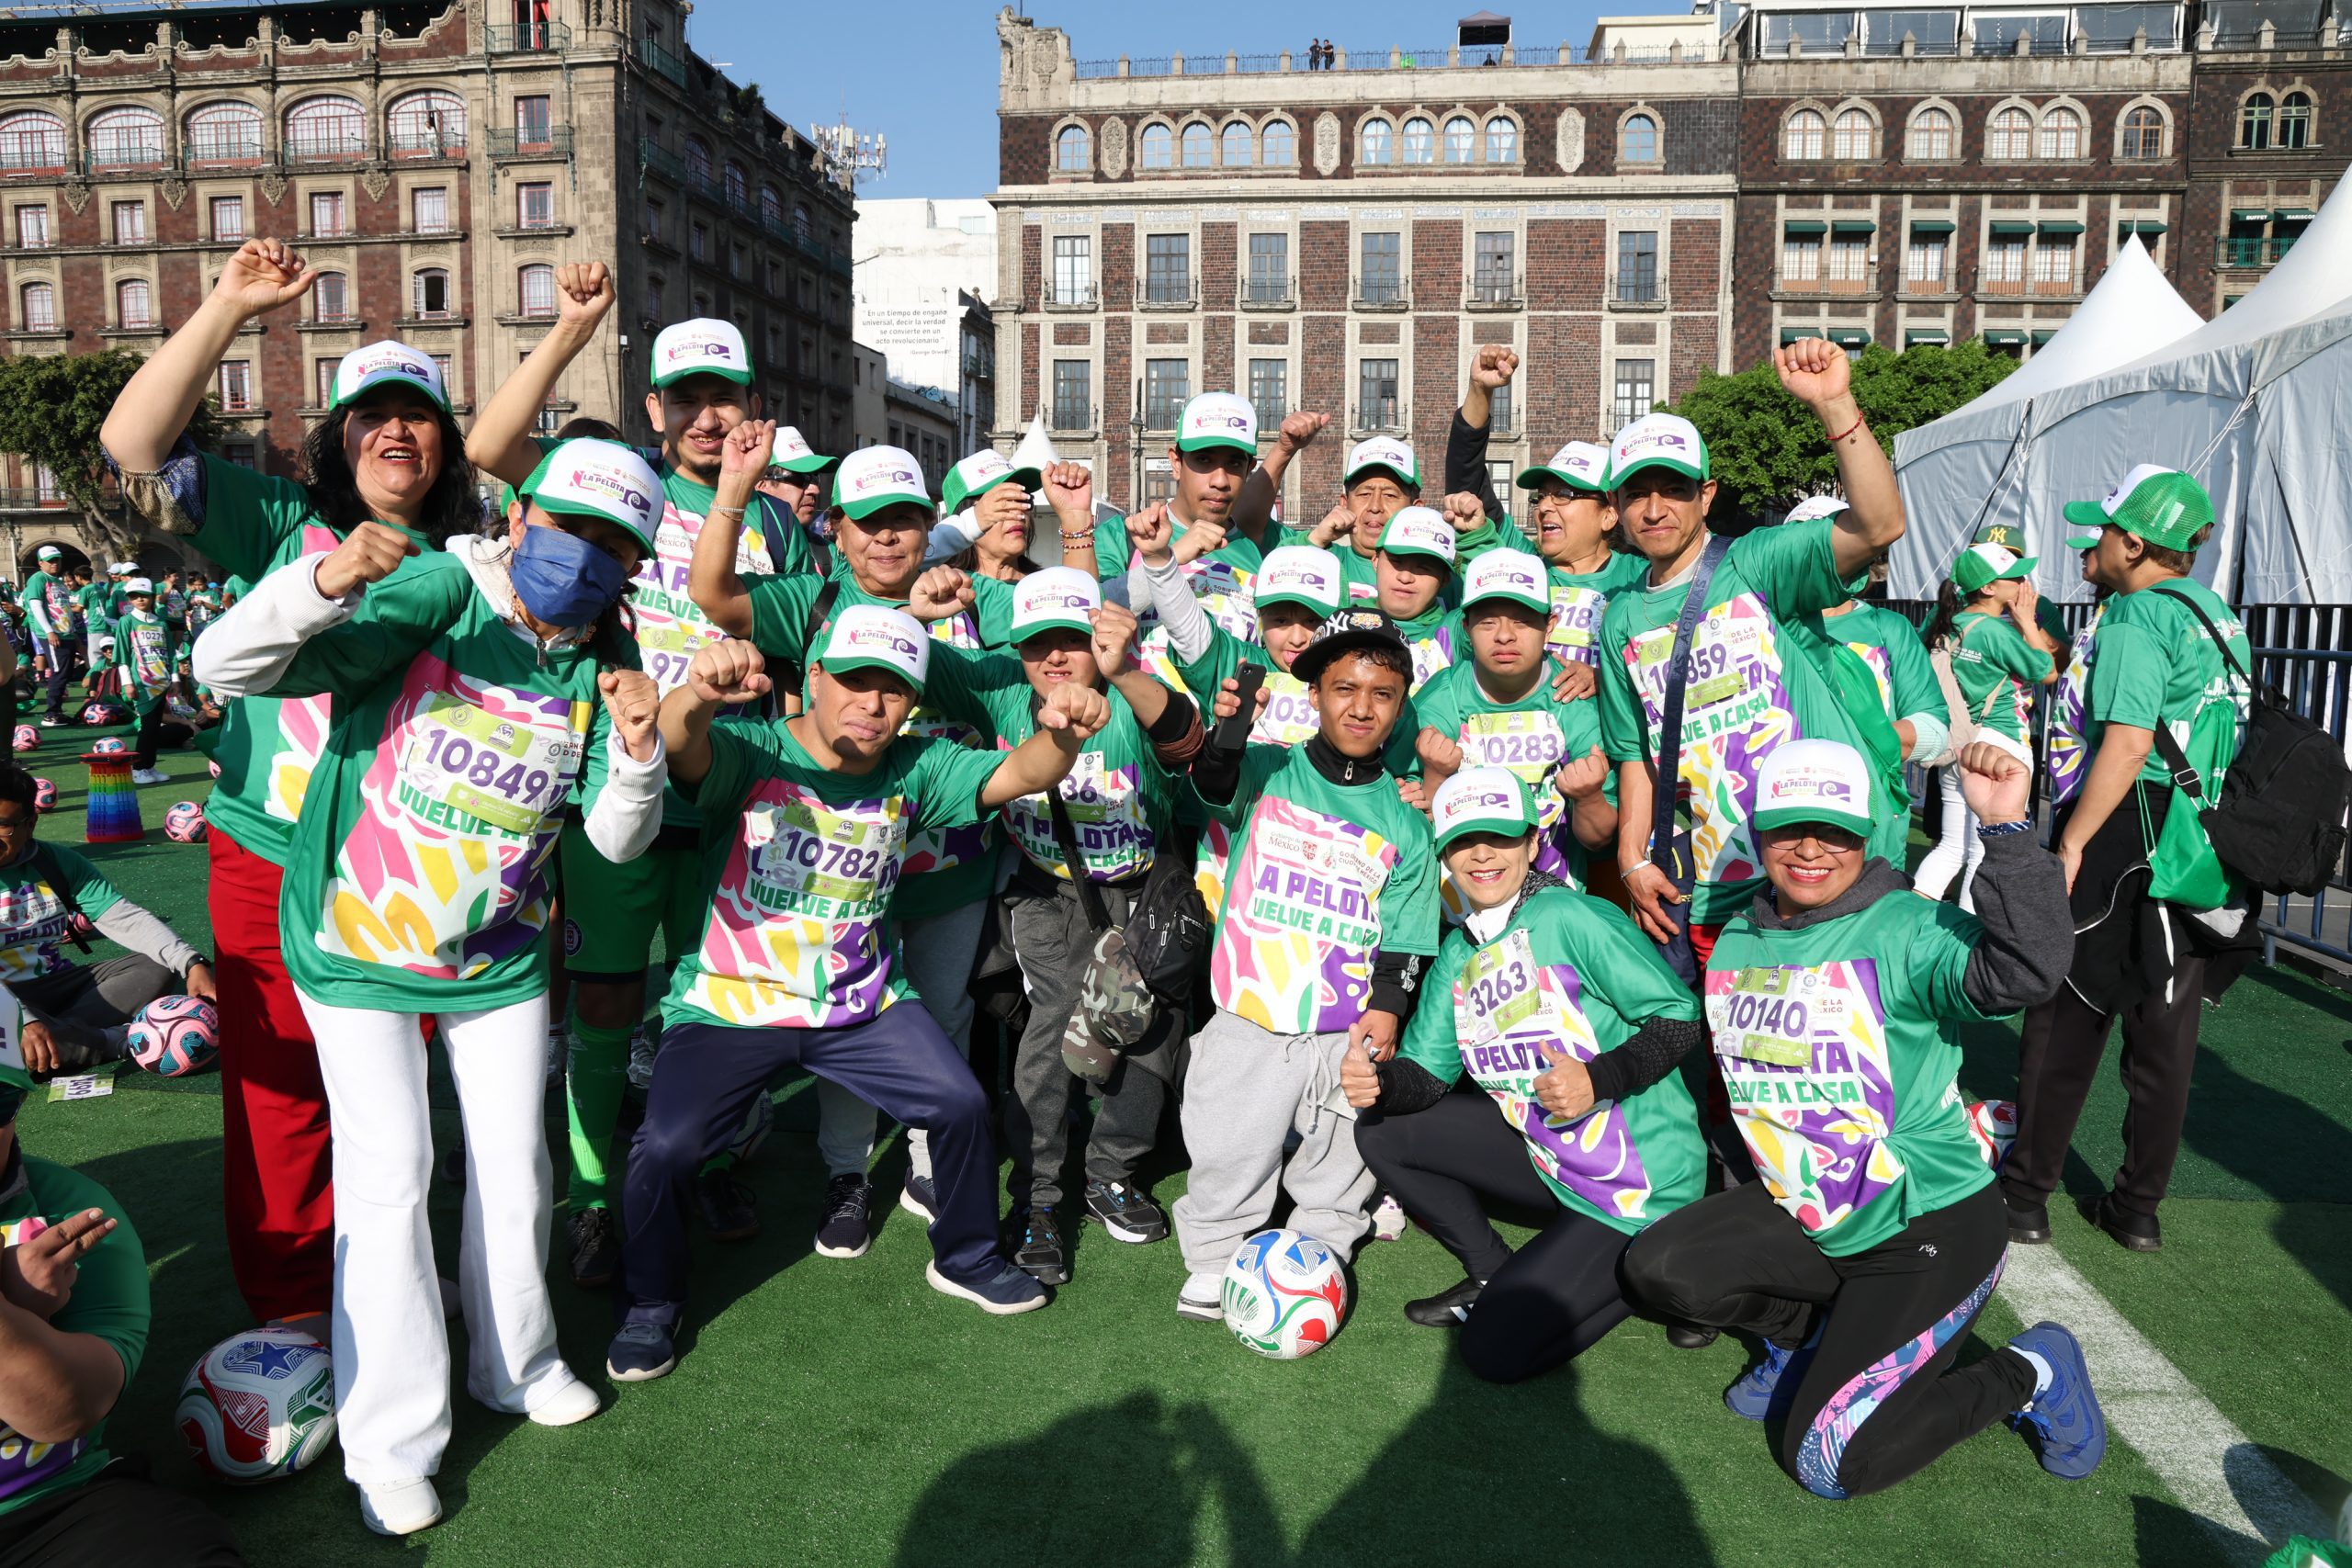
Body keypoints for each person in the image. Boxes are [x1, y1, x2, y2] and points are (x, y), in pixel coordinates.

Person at [192, 436, 670, 1536]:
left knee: (514, 1167)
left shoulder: (600, 661)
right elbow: (227, 668)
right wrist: (321, 581)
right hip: (356, 942)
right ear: (519, 517)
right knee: (392, 1172)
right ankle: (390, 1439)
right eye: (569, 526)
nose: (583, 557)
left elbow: (610, 836)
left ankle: (518, 1363)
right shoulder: (443, 588)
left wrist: (638, 752)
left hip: (495, 957)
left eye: (612, 545)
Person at [101, 238, 481, 1330]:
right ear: (337, 439)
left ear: (446, 443)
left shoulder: (475, 556)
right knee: (276, 1089)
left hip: (401, 871)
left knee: (391, 1098)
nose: (395, 430)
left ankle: (390, 1285)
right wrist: (227, 304)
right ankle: (291, 1303)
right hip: (264, 855)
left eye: (418, 413)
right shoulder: (279, 524)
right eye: (372, 413)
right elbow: (131, 442)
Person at [610, 611, 1110, 1378]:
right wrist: (697, 694)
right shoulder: (755, 749)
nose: (872, 704)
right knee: (667, 1144)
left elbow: (1026, 773)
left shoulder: (918, 766)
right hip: (730, 1003)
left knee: (958, 1101)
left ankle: (967, 1255)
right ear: (813, 677)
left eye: (893, 691)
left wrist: (1067, 734)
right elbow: (680, 745)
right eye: (854, 681)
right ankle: (650, 1302)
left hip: (860, 1002)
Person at [1623, 738, 2107, 1500]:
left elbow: (2030, 971)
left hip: (1925, 1227)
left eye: (1836, 830)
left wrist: (2007, 831)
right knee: (1659, 1268)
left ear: (1869, 834)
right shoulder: (1740, 933)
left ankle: (2032, 1369)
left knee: (1827, 1462)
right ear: (1759, 831)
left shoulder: (1907, 927)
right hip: (1811, 1206)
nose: (1811, 848)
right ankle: (1811, 1339)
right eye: (1789, 828)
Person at [469, 276, 821, 1277]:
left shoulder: (779, 521)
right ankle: (590, 1197)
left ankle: (704, 1158)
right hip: (611, 790)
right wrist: (572, 328)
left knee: (722, 1000)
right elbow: (493, 449)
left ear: (750, 402)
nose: (709, 416)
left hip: (730, 797)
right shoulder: (611, 480)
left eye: (727, 395)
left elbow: (797, 659)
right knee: (606, 1008)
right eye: (686, 396)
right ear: (654, 404)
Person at [695, 440, 1022, 1247]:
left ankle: (925, 1153)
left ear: (930, 526)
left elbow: (1010, 702)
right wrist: (735, 488)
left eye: (905, 521)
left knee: (940, 1012)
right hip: (830, 870)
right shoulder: (808, 601)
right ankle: (846, 1170)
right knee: (848, 1024)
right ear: (836, 530)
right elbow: (712, 592)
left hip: (947, 859)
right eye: (868, 522)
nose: (887, 539)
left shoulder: (970, 595)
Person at [1349, 769, 1707, 1376]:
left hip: (1633, 1186)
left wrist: (1602, 1077)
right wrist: (1378, 1081)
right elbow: (1427, 1080)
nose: (1482, 853)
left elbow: (1679, 1017)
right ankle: (1489, 1270)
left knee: (1492, 1351)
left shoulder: (1573, 917)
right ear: (1445, 854)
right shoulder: (1461, 950)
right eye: (1464, 841)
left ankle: (1652, 1266)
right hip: (1548, 1155)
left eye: (1501, 837)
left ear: (1533, 842)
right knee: (1379, 1127)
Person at [919, 570, 1201, 1285]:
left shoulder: (1134, 696)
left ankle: (1112, 1172)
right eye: (1036, 643)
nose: (1053, 657)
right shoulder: (1003, 694)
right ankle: (1039, 1196)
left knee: (1148, 1029)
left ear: (1098, 641)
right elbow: (905, 656)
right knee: (1055, 1026)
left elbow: (1187, 742)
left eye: (1070, 641)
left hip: (1142, 893)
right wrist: (908, 609)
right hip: (1048, 895)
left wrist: (1125, 671)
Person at [2003, 467, 2254, 1256]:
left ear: (2134, 543)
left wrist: (2073, 841)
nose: (2097, 543)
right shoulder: (2219, 614)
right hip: (2197, 840)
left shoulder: (2138, 614)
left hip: (2125, 831)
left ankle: (2025, 1195)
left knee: (2066, 1009)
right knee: (2165, 1027)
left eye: (2105, 531)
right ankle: (2138, 1207)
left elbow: (2130, 739)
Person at [1597, 342, 1907, 976]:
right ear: (1617, 507)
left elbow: (1878, 526)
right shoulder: (1621, 616)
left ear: (1706, 494)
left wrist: (1834, 403)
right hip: (1698, 879)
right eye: (1638, 493)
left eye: (1674, 490)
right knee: (1723, 1062)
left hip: (1809, 870)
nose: (1655, 509)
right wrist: (1633, 855)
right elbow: (1637, 754)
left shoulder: (1758, 561)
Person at [1173, 608, 1440, 1320]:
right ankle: (1213, 1251)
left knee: (1341, 1151)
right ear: (1315, 694)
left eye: (1382, 693)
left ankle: (1319, 1244)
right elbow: (1210, 778)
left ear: (1400, 704)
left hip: (1341, 1026)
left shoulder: (1408, 819)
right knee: (1230, 1144)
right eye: (1343, 687)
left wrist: (1384, 1012)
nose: (1361, 705)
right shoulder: (1268, 769)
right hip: (1251, 1009)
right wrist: (1228, 732)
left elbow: (1406, 937)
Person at [0, 1077, 247, 1565]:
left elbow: (68, 1411)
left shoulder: (69, 1212)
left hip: (44, 1509)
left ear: (20, 1101)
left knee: (174, 1546)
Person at [1410, 548, 1618, 894]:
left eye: (1521, 620)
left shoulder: (1574, 702)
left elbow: (1598, 839)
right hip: (1454, 907)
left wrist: (1590, 797)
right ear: (1466, 628)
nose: (1504, 635)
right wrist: (1435, 774)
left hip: (1554, 898)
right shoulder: (1440, 696)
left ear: (1548, 626)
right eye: (1487, 621)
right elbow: (1415, 824)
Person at [0, 767, 215, 1080]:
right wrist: (20, 1017)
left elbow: (124, 918)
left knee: (157, 963)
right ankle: (116, 1041)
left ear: (30, 823)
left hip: (57, 986)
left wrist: (192, 963)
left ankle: (57, 1039)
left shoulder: (55, 862)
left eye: (3, 826)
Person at [1914, 541, 2058, 912]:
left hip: (1958, 742)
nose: (2024, 584)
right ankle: (1966, 938)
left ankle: (1910, 918)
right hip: (2000, 744)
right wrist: (2027, 620)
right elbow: (2048, 672)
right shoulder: (1996, 631)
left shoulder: (1950, 623)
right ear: (1990, 588)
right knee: (1984, 850)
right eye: (2015, 578)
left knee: (1951, 846)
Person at [109, 578, 183, 786]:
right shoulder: (127, 621)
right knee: (147, 727)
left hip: (162, 682)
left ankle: (148, 765)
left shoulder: (161, 622)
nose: (139, 599)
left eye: (144, 595)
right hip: (141, 683)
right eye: (134, 596)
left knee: (154, 728)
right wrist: (127, 683)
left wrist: (175, 678)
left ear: (152, 597)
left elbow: (170, 653)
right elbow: (122, 655)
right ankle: (139, 768)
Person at [21, 547, 73, 727]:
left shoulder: (58, 581)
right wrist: (49, 631)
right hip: (52, 634)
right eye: (50, 560)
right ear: (40, 563)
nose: (55, 563)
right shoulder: (38, 579)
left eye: (57, 559)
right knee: (59, 673)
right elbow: (36, 606)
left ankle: (57, 711)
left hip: (65, 633)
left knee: (65, 673)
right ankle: (51, 714)